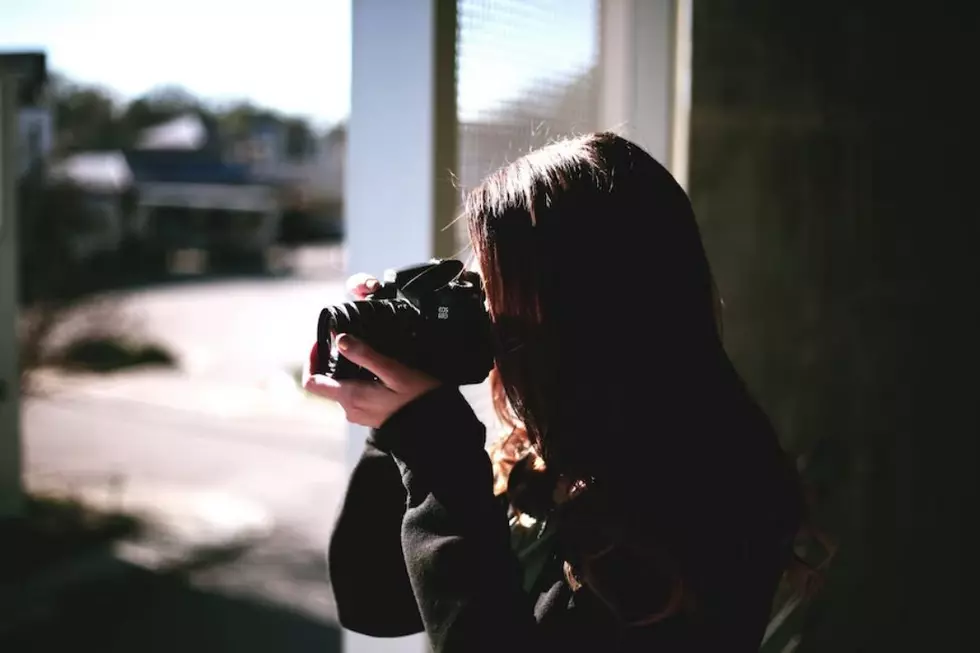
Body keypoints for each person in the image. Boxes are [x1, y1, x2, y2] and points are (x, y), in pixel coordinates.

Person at [304, 132, 808, 652]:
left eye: (493, 288)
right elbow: (375, 605)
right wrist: (394, 413)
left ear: (581, 309)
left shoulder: (708, 496)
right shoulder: (549, 454)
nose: (484, 312)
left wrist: (432, 441)